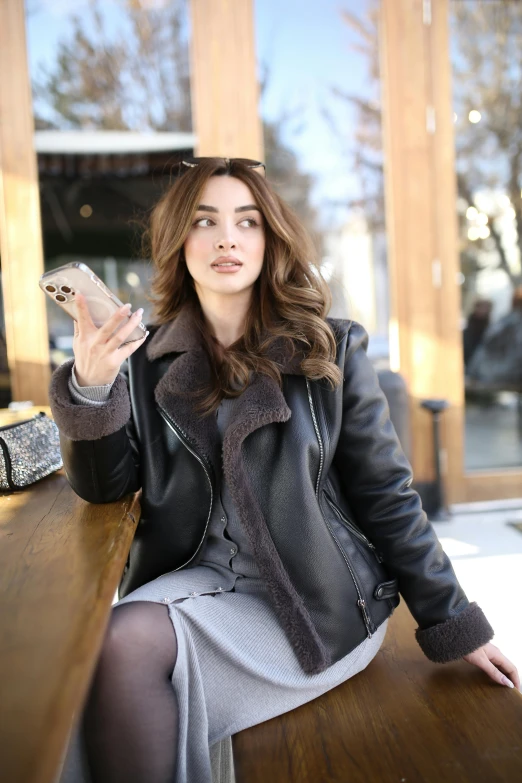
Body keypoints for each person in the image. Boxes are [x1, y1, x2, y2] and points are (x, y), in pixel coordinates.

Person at [49, 157, 520, 783]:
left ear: (270, 240)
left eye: (247, 222)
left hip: (315, 600)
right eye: (204, 221)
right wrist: (90, 387)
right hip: (195, 587)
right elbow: (105, 489)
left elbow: (387, 495)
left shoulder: (330, 348)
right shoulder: (141, 362)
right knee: (103, 656)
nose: (227, 239)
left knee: (119, 654)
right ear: (177, 243)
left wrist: (453, 621)